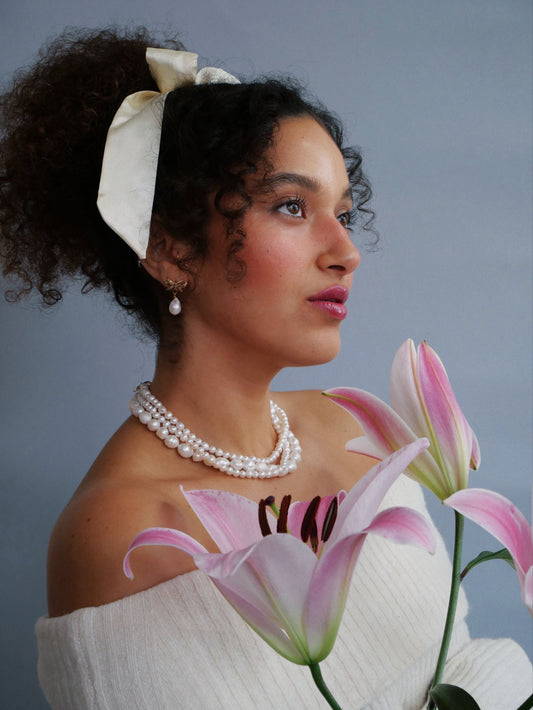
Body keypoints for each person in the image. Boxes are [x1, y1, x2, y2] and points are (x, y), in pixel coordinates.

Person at [1, 27, 530, 710]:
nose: (346, 251)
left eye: (343, 212)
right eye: (292, 207)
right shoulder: (116, 532)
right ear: (171, 251)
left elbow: (461, 659)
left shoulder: (354, 426)